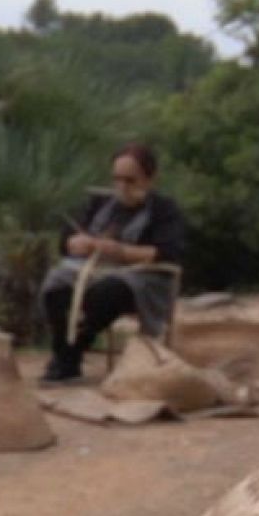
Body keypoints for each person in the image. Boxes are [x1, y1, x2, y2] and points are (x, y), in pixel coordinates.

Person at [38, 142, 186, 384]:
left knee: (108, 291)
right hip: (95, 270)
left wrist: (120, 251)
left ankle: (68, 355)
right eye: (117, 179)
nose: (122, 187)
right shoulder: (100, 203)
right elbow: (67, 238)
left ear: (149, 179)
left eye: (131, 181)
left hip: (143, 277)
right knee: (56, 286)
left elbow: (167, 252)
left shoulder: (163, 209)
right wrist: (75, 243)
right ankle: (65, 354)